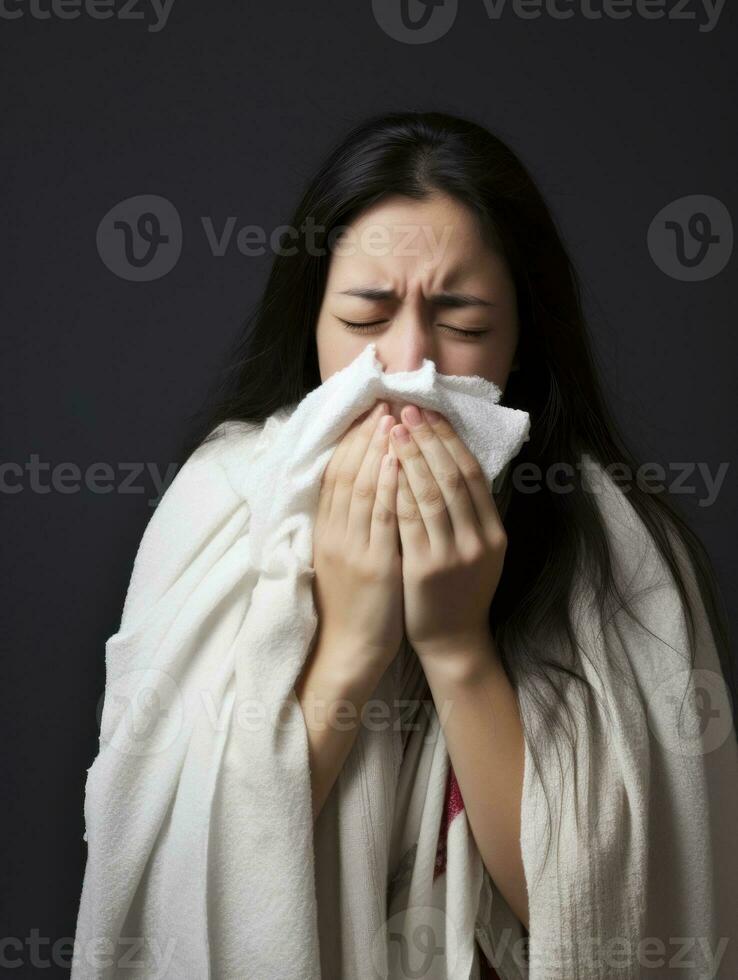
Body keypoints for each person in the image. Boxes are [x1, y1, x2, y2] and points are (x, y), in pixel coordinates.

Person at [171, 110, 738, 977]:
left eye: (463, 325)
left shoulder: (616, 545)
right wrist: (355, 644)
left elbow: (606, 918)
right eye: (364, 319)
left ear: (522, 343)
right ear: (312, 321)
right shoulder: (222, 503)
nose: (410, 370)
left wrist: (454, 644)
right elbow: (194, 880)